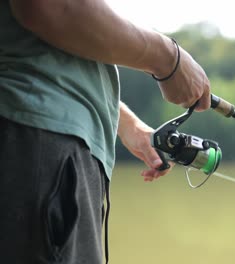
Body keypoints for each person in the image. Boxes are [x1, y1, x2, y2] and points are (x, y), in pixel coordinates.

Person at [0, 0, 211, 263]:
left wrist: (125, 124)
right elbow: (52, 7)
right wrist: (168, 58)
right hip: (38, 146)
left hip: (44, 147)